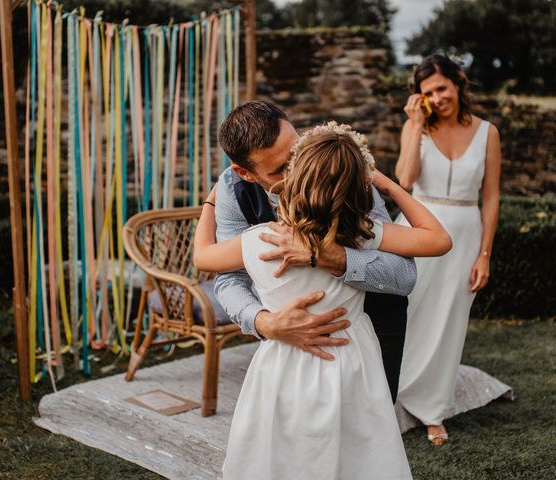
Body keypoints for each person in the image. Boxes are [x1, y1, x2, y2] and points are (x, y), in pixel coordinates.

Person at [194, 123, 451, 479]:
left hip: (284, 368)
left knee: (286, 453)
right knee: (360, 453)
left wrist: (210, 200)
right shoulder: (360, 231)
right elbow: (438, 239)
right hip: (354, 358)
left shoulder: (257, 240)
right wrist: (387, 183)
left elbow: (203, 257)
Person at [210, 101, 416, 402]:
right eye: (281, 169)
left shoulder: (340, 165)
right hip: (290, 343)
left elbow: (405, 276)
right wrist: (263, 322)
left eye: (296, 151)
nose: (298, 170)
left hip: (372, 322)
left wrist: (334, 258)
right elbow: (229, 278)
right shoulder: (231, 190)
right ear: (245, 172)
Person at [394, 53, 502, 445]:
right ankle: (391, 393)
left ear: (458, 82)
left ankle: (432, 410)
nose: (437, 97)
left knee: (448, 321)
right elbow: (404, 180)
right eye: (428, 93)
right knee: (408, 311)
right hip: (419, 231)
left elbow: (490, 198)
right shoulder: (415, 127)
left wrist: (485, 253)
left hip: (465, 236)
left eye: (441, 88)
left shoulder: (488, 132)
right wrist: (416, 125)